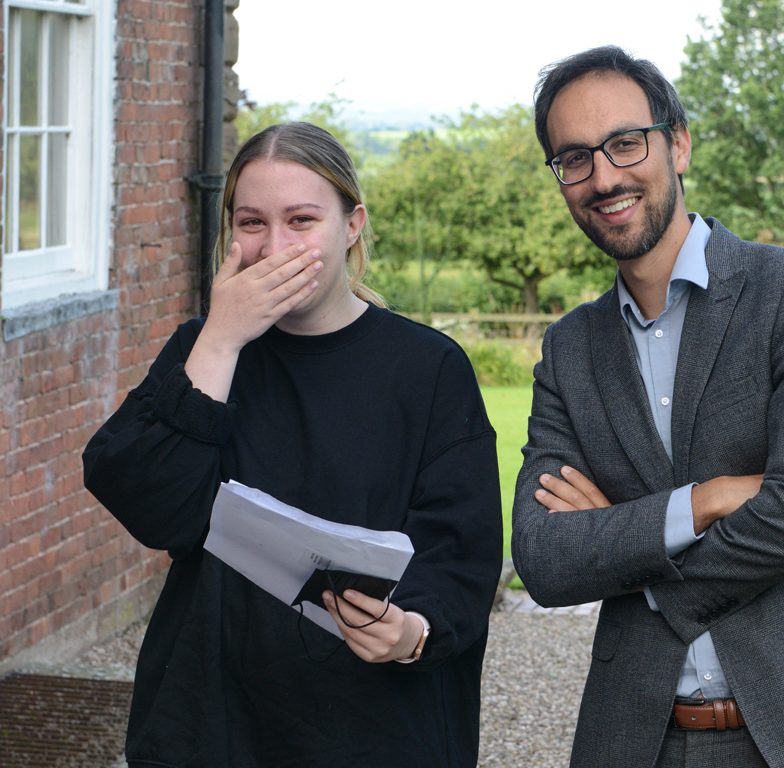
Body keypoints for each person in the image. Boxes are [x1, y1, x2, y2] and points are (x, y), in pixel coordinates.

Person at [511, 46, 784, 768]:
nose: (604, 176)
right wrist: (705, 501)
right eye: (575, 158)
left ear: (677, 143)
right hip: (640, 740)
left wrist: (633, 557)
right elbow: (545, 559)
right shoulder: (569, 350)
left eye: (625, 143)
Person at [83, 122, 502, 767]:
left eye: (302, 219)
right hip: (212, 718)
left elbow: (461, 548)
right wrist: (222, 341)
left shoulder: (427, 368)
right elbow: (151, 506)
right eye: (252, 223)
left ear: (352, 224)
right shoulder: (203, 349)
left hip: (370, 726)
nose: (275, 247)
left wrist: (412, 631)